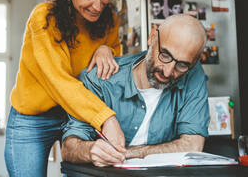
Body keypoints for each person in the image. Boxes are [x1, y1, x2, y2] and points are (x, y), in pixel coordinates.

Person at [4, 0, 126, 177]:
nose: (98, 5)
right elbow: (58, 82)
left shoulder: (110, 20)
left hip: (78, 117)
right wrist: (106, 118)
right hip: (32, 120)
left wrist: (106, 49)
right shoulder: (44, 19)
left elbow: (113, 70)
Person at [61, 14, 210, 167]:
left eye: (182, 65)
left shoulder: (193, 74)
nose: (167, 71)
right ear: (152, 37)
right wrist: (89, 150)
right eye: (165, 55)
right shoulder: (100, 78)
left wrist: (126, 153)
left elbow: (193, 145)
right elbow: (68, 148)